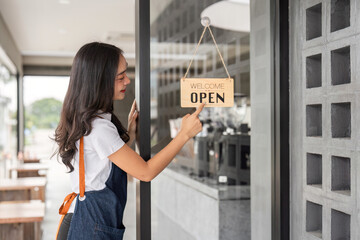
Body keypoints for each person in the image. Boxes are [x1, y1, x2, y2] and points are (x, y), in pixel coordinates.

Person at [54, 42, 205, 240]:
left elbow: (104, 165)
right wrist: (184, 135)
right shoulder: (99, 128)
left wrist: (130, 135)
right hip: (89, 227)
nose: (128, 81)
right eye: (120, 77)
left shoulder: (90, 120)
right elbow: (146, 172)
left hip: (85, 221)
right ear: (100, 81)